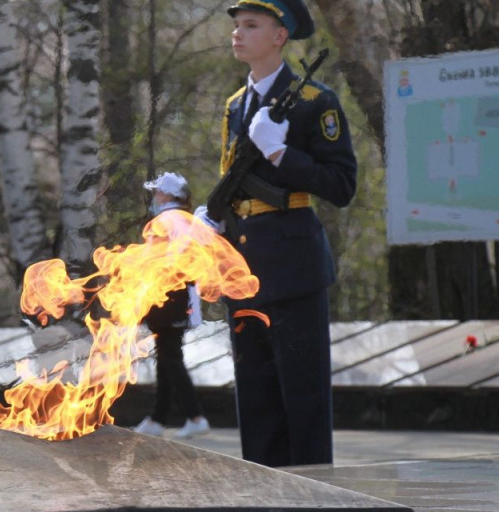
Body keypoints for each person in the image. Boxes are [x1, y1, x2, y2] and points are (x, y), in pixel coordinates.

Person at [200, 0, 357, 467]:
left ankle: (311, 496)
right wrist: (212, 220)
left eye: (251, 25)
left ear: (280, 36)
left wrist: (280, 155)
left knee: (303, 401)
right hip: (242, 273)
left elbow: (342, 185)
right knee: (257, 401)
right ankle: (261, 492)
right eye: (236, 25)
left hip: (293, 270)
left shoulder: (315, 102)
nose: (238, 33)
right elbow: (233, 178)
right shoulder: (235, 105)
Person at [133, 172, 211, 439]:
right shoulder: (184, 220)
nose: (154, 197)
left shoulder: (166, 221)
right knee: (166, 354)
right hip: (178, 296)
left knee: (170, 357)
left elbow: (156, 263)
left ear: (167, 195)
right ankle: (158, 417)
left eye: (157, 193)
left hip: (167, 296)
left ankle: (195, 415)